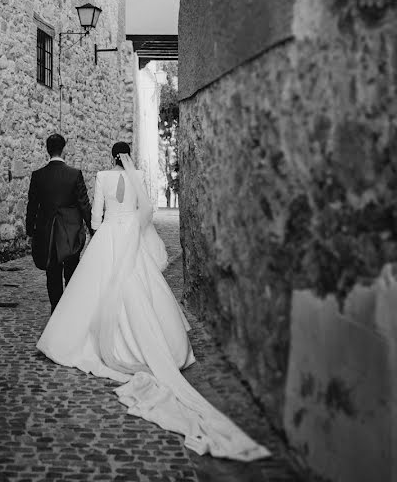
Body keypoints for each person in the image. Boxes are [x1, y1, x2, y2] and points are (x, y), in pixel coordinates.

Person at [36, 142, 270, 462]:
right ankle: (154, 346)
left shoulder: (102, 177)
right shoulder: (139, 176)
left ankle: (91, 341)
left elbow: (94, 216)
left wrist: (101, 233)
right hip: (130, 235)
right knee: (144, 289)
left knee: (94, 290)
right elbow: (146, 212)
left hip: (109, 235)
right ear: (128, 156)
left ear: (110, 158)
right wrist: (133, 230)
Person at [25, 133, 94, 312]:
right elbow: (83, 204)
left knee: (52, 273)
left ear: (47, 150)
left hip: (47, 233)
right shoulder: (74, 174)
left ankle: (56, 309)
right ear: (64, 149)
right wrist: (93, 228)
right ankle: (69, 310)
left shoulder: (38, 175)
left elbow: (32, 205)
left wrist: (30, 229)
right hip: (71, 232)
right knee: (71, 272)